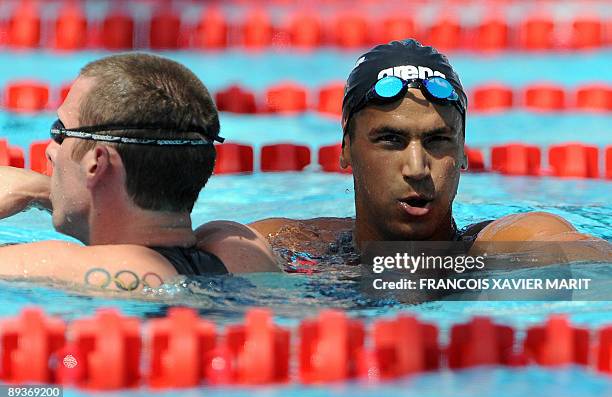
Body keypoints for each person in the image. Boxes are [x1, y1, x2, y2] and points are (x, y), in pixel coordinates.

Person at [250, 39, 610, 262]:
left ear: (464, 151)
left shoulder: (504, 244)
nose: (417, 168)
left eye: (438, 141)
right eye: (391, 140)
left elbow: (586, 259)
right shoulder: (290, 245)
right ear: (346, 149)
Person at [0, 53, 279, 292]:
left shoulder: (76, 266)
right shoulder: (242, 250)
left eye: (60, 131)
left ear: (96, 164)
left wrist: (31, 189)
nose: (50, 149)